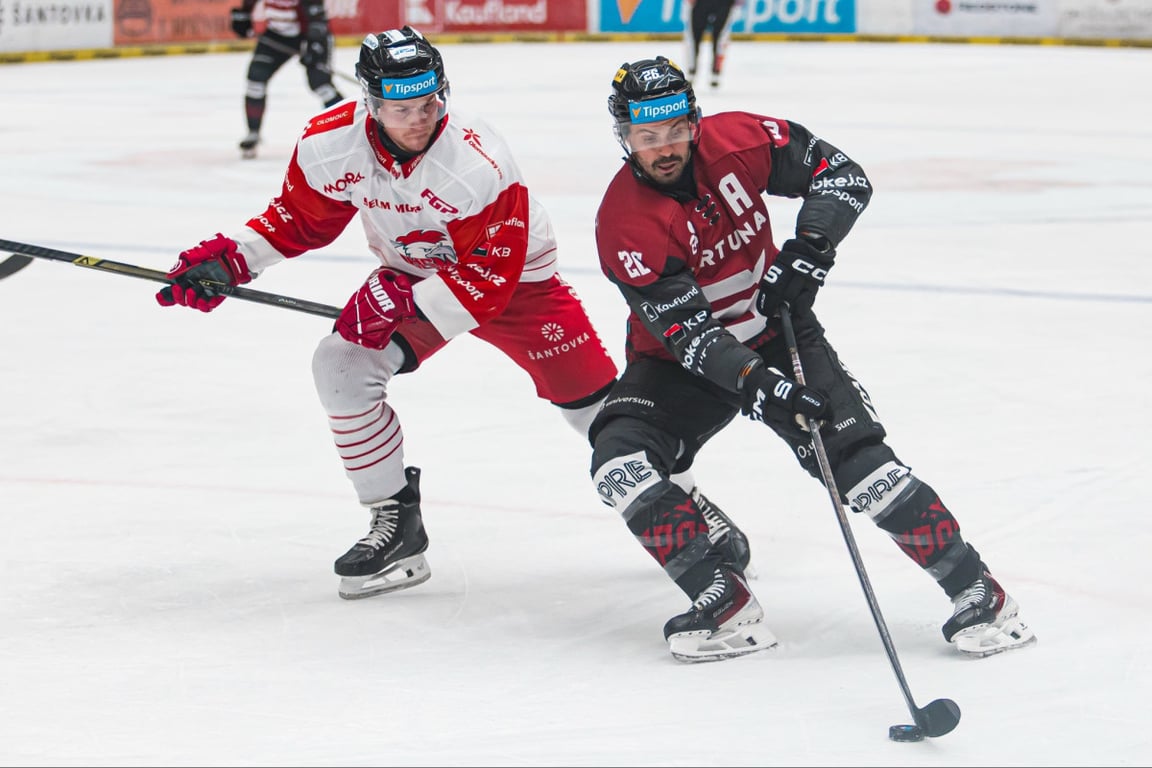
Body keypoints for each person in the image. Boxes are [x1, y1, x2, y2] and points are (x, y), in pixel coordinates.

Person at [152, 29, 748, 601]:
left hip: (518, 285)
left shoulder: (475, 160)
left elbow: (490, 277)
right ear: (370, 102)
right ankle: (395, 525)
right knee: (339, 365)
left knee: (597, 413)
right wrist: (233, 261)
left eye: (430, 100)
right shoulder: (328, 143)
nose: (419, 118)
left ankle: (685, 500)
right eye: (400, 106)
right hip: (411, 273)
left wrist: (402, 305)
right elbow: (298, 220)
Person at [589, 56, 1037, 663]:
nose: (664, 147)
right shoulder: (624, 223)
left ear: (694, 121)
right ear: (625, 136)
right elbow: (691, 339)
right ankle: (724, 603)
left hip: (778, 330)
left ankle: (979, 593)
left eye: (675, 130)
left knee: (857, 462)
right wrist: (762, 387)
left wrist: (810, 250)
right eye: (647, 136)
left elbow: (843, 175)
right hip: (681, 366)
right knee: (620, 460)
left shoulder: (740, 139)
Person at [229, 0, 345, 158]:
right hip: (276, 36)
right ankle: (253, 133)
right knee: (255, 80)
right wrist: (243, 16)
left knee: (321, 85)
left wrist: (315, 46)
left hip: (309, 36)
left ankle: (347, 129)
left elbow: (317, 20)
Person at [681, 0, 742, 89]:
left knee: (721, 38)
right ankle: (692, 71)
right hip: (700, 3)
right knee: (693, 37)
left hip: (724, 3)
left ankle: (715, 72)